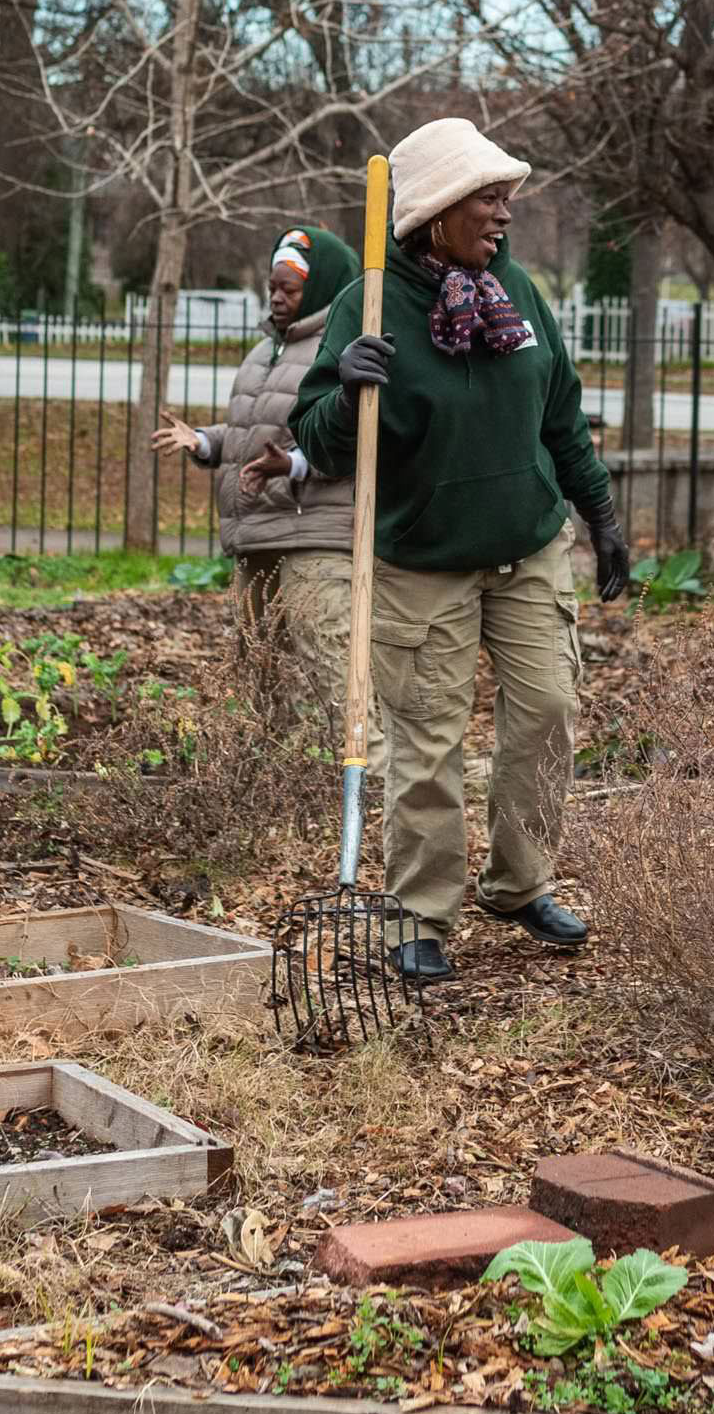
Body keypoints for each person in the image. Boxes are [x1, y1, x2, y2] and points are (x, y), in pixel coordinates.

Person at [289, 118, 631, 983]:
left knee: (549, 709)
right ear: (436, 209)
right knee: (429, 743)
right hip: (422, 561)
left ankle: (519, 885)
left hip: (526, 547)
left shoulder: (516, 290)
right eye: (487, 195)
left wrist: (601, 514)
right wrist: (349, 387)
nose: (503, 211)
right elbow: (319, 440)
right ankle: (421, 914)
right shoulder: (372, 305)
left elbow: (560, 415)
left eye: (506, 195)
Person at [146, 217, 360, 689]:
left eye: (291, 290)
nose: (277, 298)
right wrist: (203, 441)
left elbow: (353, 438)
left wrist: (296, 463)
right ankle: (269, 763)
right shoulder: (265, 352)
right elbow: (256, 433)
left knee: (327, 666)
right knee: (257, 668)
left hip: (313, 535)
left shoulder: (340, 352)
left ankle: (357, 764)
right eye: (272, 288)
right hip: (257, 534)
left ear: (323, 288)